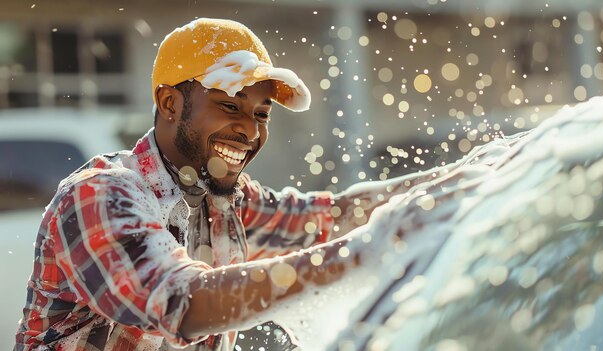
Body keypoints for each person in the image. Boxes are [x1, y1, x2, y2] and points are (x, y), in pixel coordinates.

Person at [14, 18, 422, 351]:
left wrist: (456, 183)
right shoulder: (99, 194)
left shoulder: (225, 202)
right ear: (170, 104)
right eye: (230, 105)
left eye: (261, 114)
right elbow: (182, 300)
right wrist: (359, 255)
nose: (249, 131)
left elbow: (329, 216)